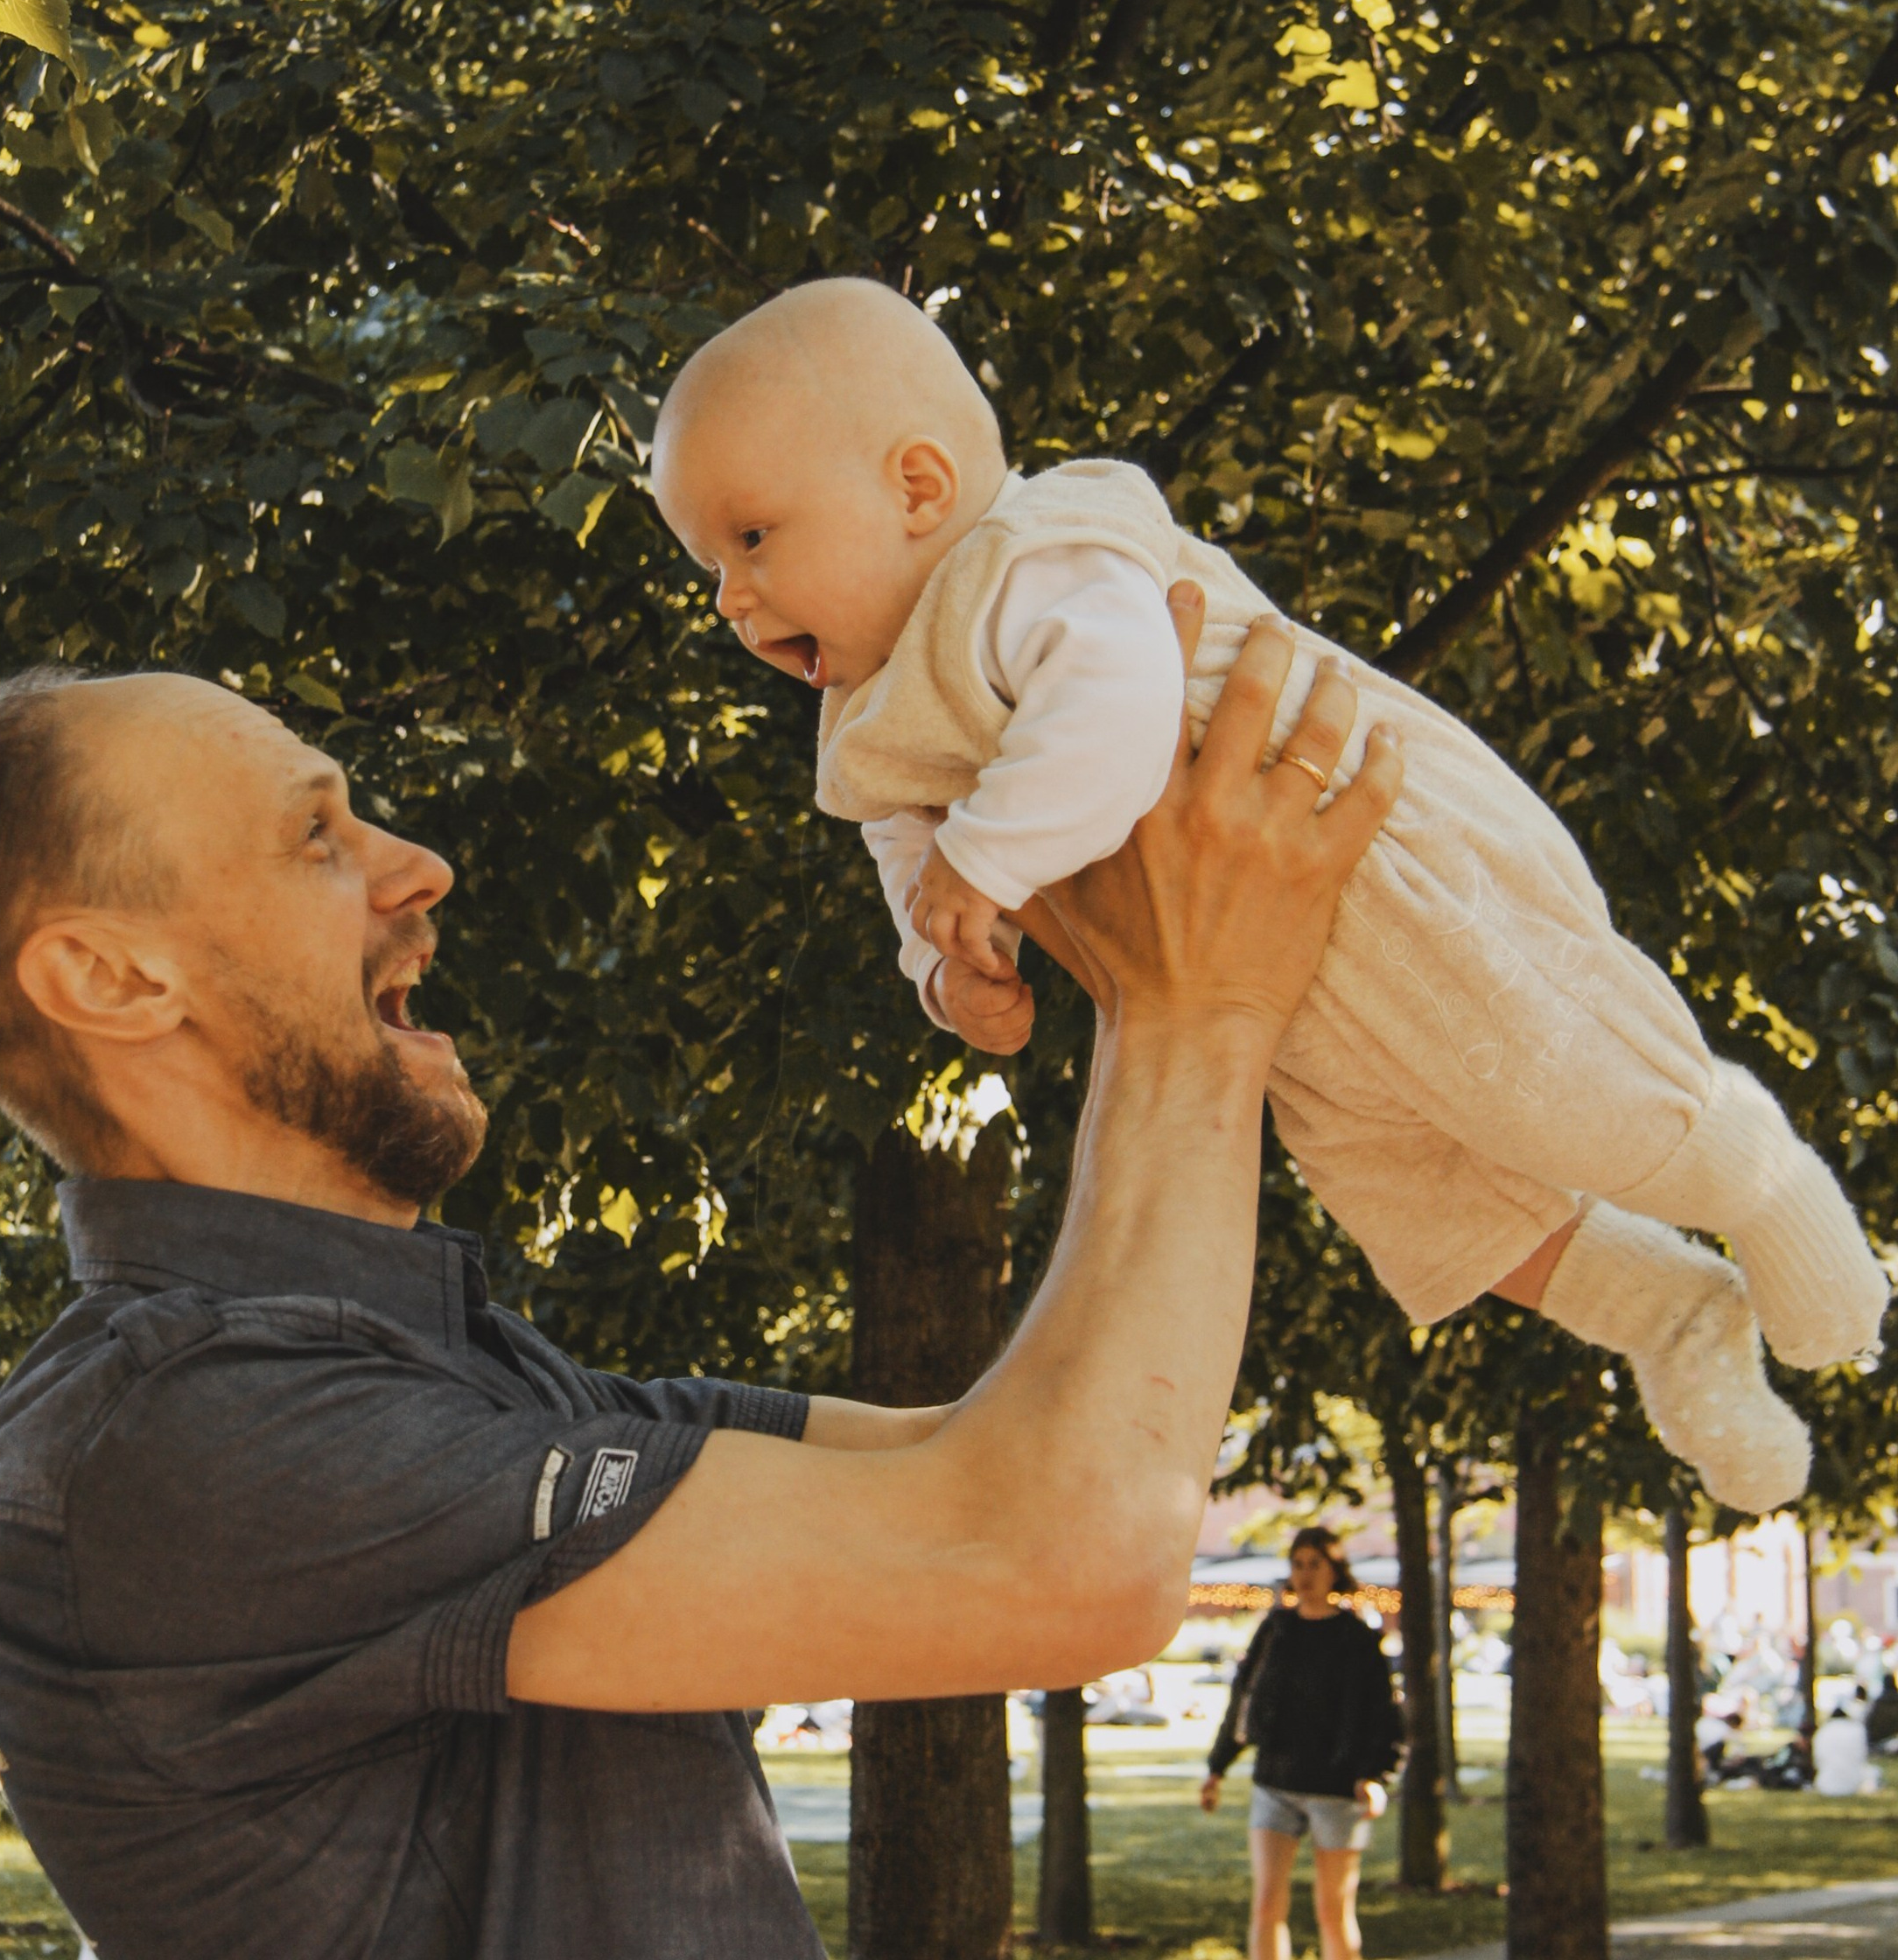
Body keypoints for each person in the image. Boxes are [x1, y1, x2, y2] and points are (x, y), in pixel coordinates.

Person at [0, 607, 1399, 1958]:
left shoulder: (461, 1384)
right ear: (115, 980)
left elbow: (1007, 1466)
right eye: (317, 837)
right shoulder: (181, 1445)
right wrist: (1204, 1007)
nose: (421, 865)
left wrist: (1138, 959)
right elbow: (1070, 1556)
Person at [649, 276, 1892, 1516]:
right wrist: (943, 959)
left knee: (1569, 1091)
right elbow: (905, 857)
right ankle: (1665, 1313)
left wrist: (987, 860)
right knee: (1418, 1205)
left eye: (754, 538)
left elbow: (1114, 714)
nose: (731, 597)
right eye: (708, 563)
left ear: (916, 489)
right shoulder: (871, 718)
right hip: (1275, 996)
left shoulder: (1031, 564)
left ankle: (1763, 1181)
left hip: (1380, 883)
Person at [1199, 1529, 1401, 1960]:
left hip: (1337, 1789)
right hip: (1276, 1783)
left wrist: (1374, 1775)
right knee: (1267, 1904)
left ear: (1335, 1571)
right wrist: (1217, 1767)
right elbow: (1244, 1699)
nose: (1306, 1574)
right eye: (1298, 1564)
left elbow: (1382, 1717)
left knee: (1333, 1910)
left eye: (1315, 1564)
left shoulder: (1357, 1638)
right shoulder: (1276, 1630)